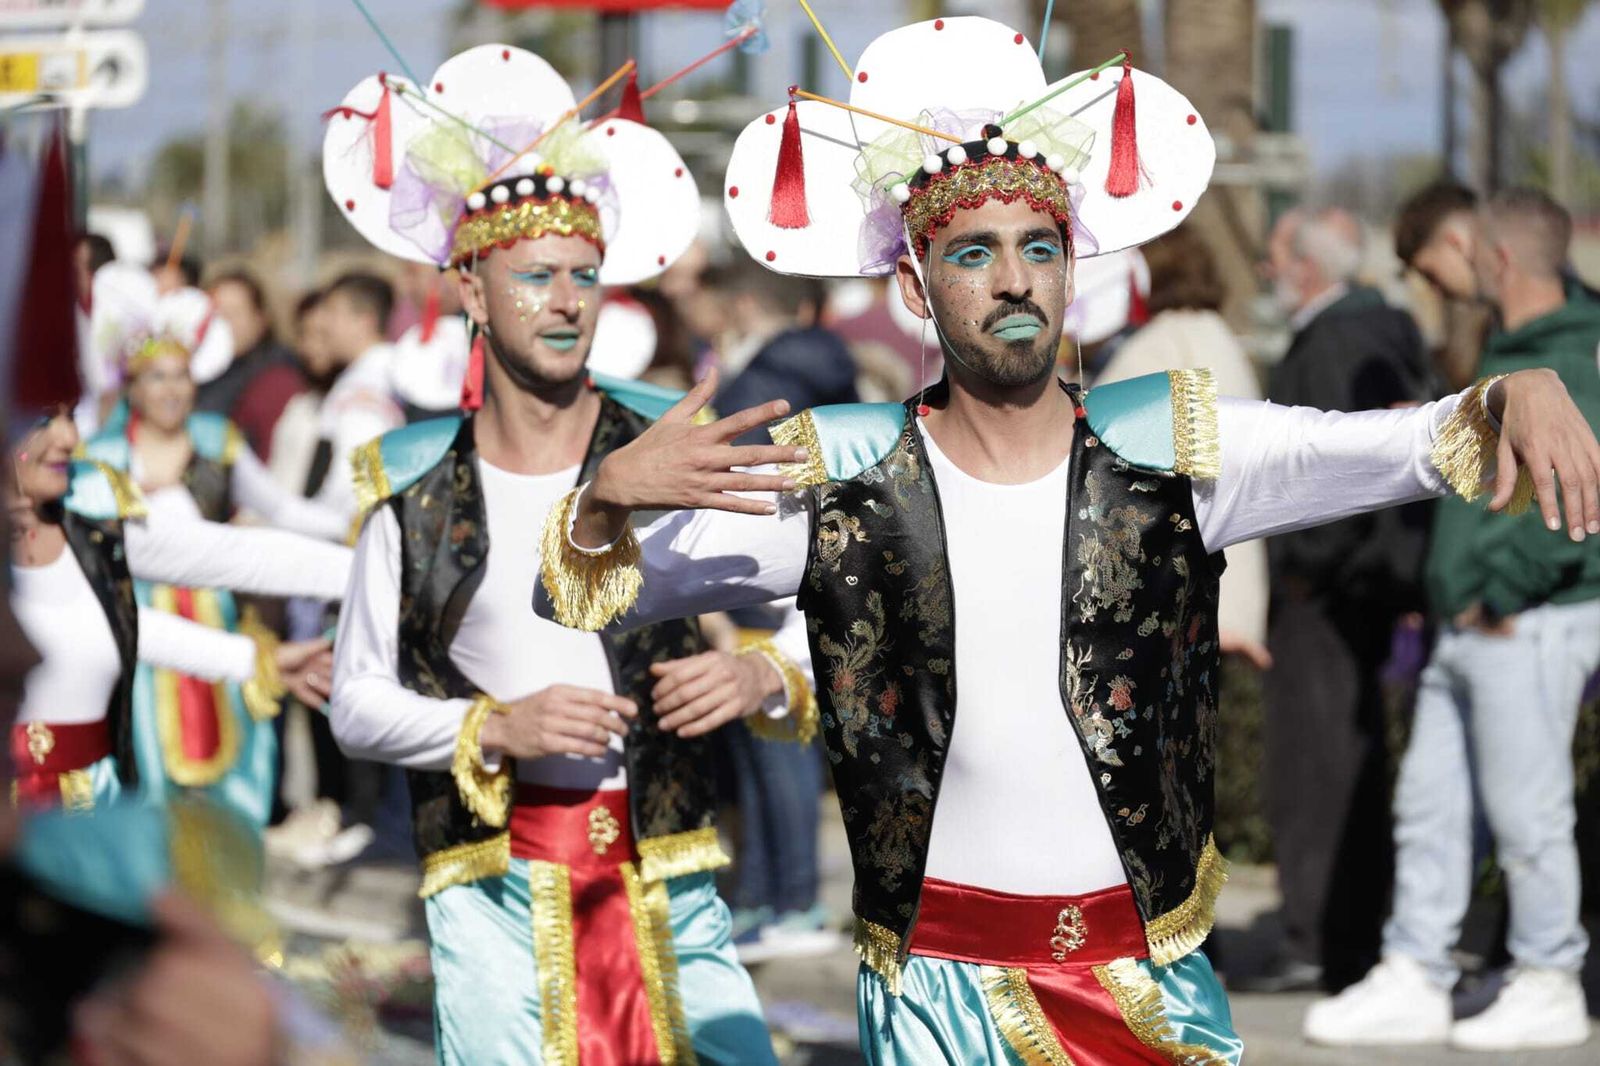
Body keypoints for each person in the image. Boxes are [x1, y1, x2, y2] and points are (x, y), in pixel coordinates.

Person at [538, 17, 1600, 1064]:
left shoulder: (1171, 450)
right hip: (934, 1005)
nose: (1012, 279)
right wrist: (600, 504)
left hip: (1150, 993)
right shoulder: (842, 482)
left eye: (1037, 247)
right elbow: (580, 600)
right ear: (914, 285)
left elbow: (1390, 442)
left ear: (1068, 268)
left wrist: (1507, 390)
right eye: (973, 252)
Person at [324, 44, 801, 1063]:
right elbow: (357, 703)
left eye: (584, 275)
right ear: (470, 288)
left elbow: (851, 586)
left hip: (668, 877)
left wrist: (760, 667)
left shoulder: (668, 454)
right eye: (534, 276)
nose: (566, 300)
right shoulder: (408, 501)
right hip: (491, 891)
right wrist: (496, 726)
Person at [1305, 185, 1600, 1051]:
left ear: (1499, 260)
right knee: (1430, 807)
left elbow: (1583, 502)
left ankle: (1548, 973)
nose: (1457, 263)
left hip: (1523, 619)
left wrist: (1503, 591)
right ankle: (1418, 969)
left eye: (1472, 253)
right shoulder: (1514, 349)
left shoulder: (1574, 357)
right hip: (1476, 622)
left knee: (1528, 812)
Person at [1244, 207, 1433, 992]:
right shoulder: (1387, 330)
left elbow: (1327, 468)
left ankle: (1318, 935)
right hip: (1362, 587)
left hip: (1326, 591)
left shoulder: (1332, 339)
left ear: (1308, 268)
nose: (1266, 271)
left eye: (1277, 254)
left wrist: (1305, 566)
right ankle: (1342, 929)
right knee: (1347, 762)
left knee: (1317, 769)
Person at [81, 292, 347, 826]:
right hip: (142, 630)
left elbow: (281, 509)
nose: (172, 389)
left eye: (181, 375)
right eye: (156, 376)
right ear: (131, 386)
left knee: (235, 768)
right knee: (150, 769)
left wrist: (357, 526)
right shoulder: (101, 463)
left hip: (221, 614)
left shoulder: (216, 440)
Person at [7, 411, 350, 810]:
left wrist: (383, 570)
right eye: (44, 418)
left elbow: (231, 557)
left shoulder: (89, 511)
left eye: (69, 415)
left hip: (93, 811)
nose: (68, 437)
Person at [1098, 224, 1269, 670]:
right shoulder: (1218, 338)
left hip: (1174, 590)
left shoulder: (1162, 345)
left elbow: (1096, 448)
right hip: (1223, 579)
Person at [305, 271, 404, 523]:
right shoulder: (372, 373)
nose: (322, 323)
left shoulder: (369, 382)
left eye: (333, 312)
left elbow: (349, 489)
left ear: (365, 320)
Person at [199, 270, 308, 462]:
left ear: (260, 319)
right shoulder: (199, 373)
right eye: (215, 314)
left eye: (233, 314)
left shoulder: (277, 380)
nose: (222, 323)